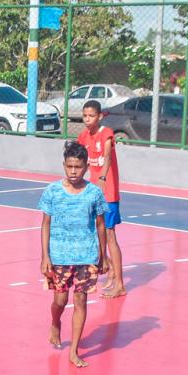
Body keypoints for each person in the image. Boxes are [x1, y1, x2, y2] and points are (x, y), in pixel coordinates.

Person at [39, 141, 110, 368]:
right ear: (63, 165)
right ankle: (55, 322)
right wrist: (44, 256)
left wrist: (103, 255)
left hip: (86, 255)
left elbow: (100, 225)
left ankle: (74, 350)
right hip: (59, 255)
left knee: (81, 300)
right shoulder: (52, 191)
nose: (73, 171)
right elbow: (45, 224)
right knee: (60, 300)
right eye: (69, 166)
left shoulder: (94, 193)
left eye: (78, 167)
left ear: (86, 167)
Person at [78, 99, 125, 297]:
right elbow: (80, 160)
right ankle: (110, 270)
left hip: (108, 192)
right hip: (94, 193)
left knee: (110, 235)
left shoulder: (106, 134)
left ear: (99, 116)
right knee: (98, 234)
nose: (87, 120)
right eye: (85, 116)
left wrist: (104, 176)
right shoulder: (83, 136)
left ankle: (120, 285)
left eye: (91, 116)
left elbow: (106, 157)